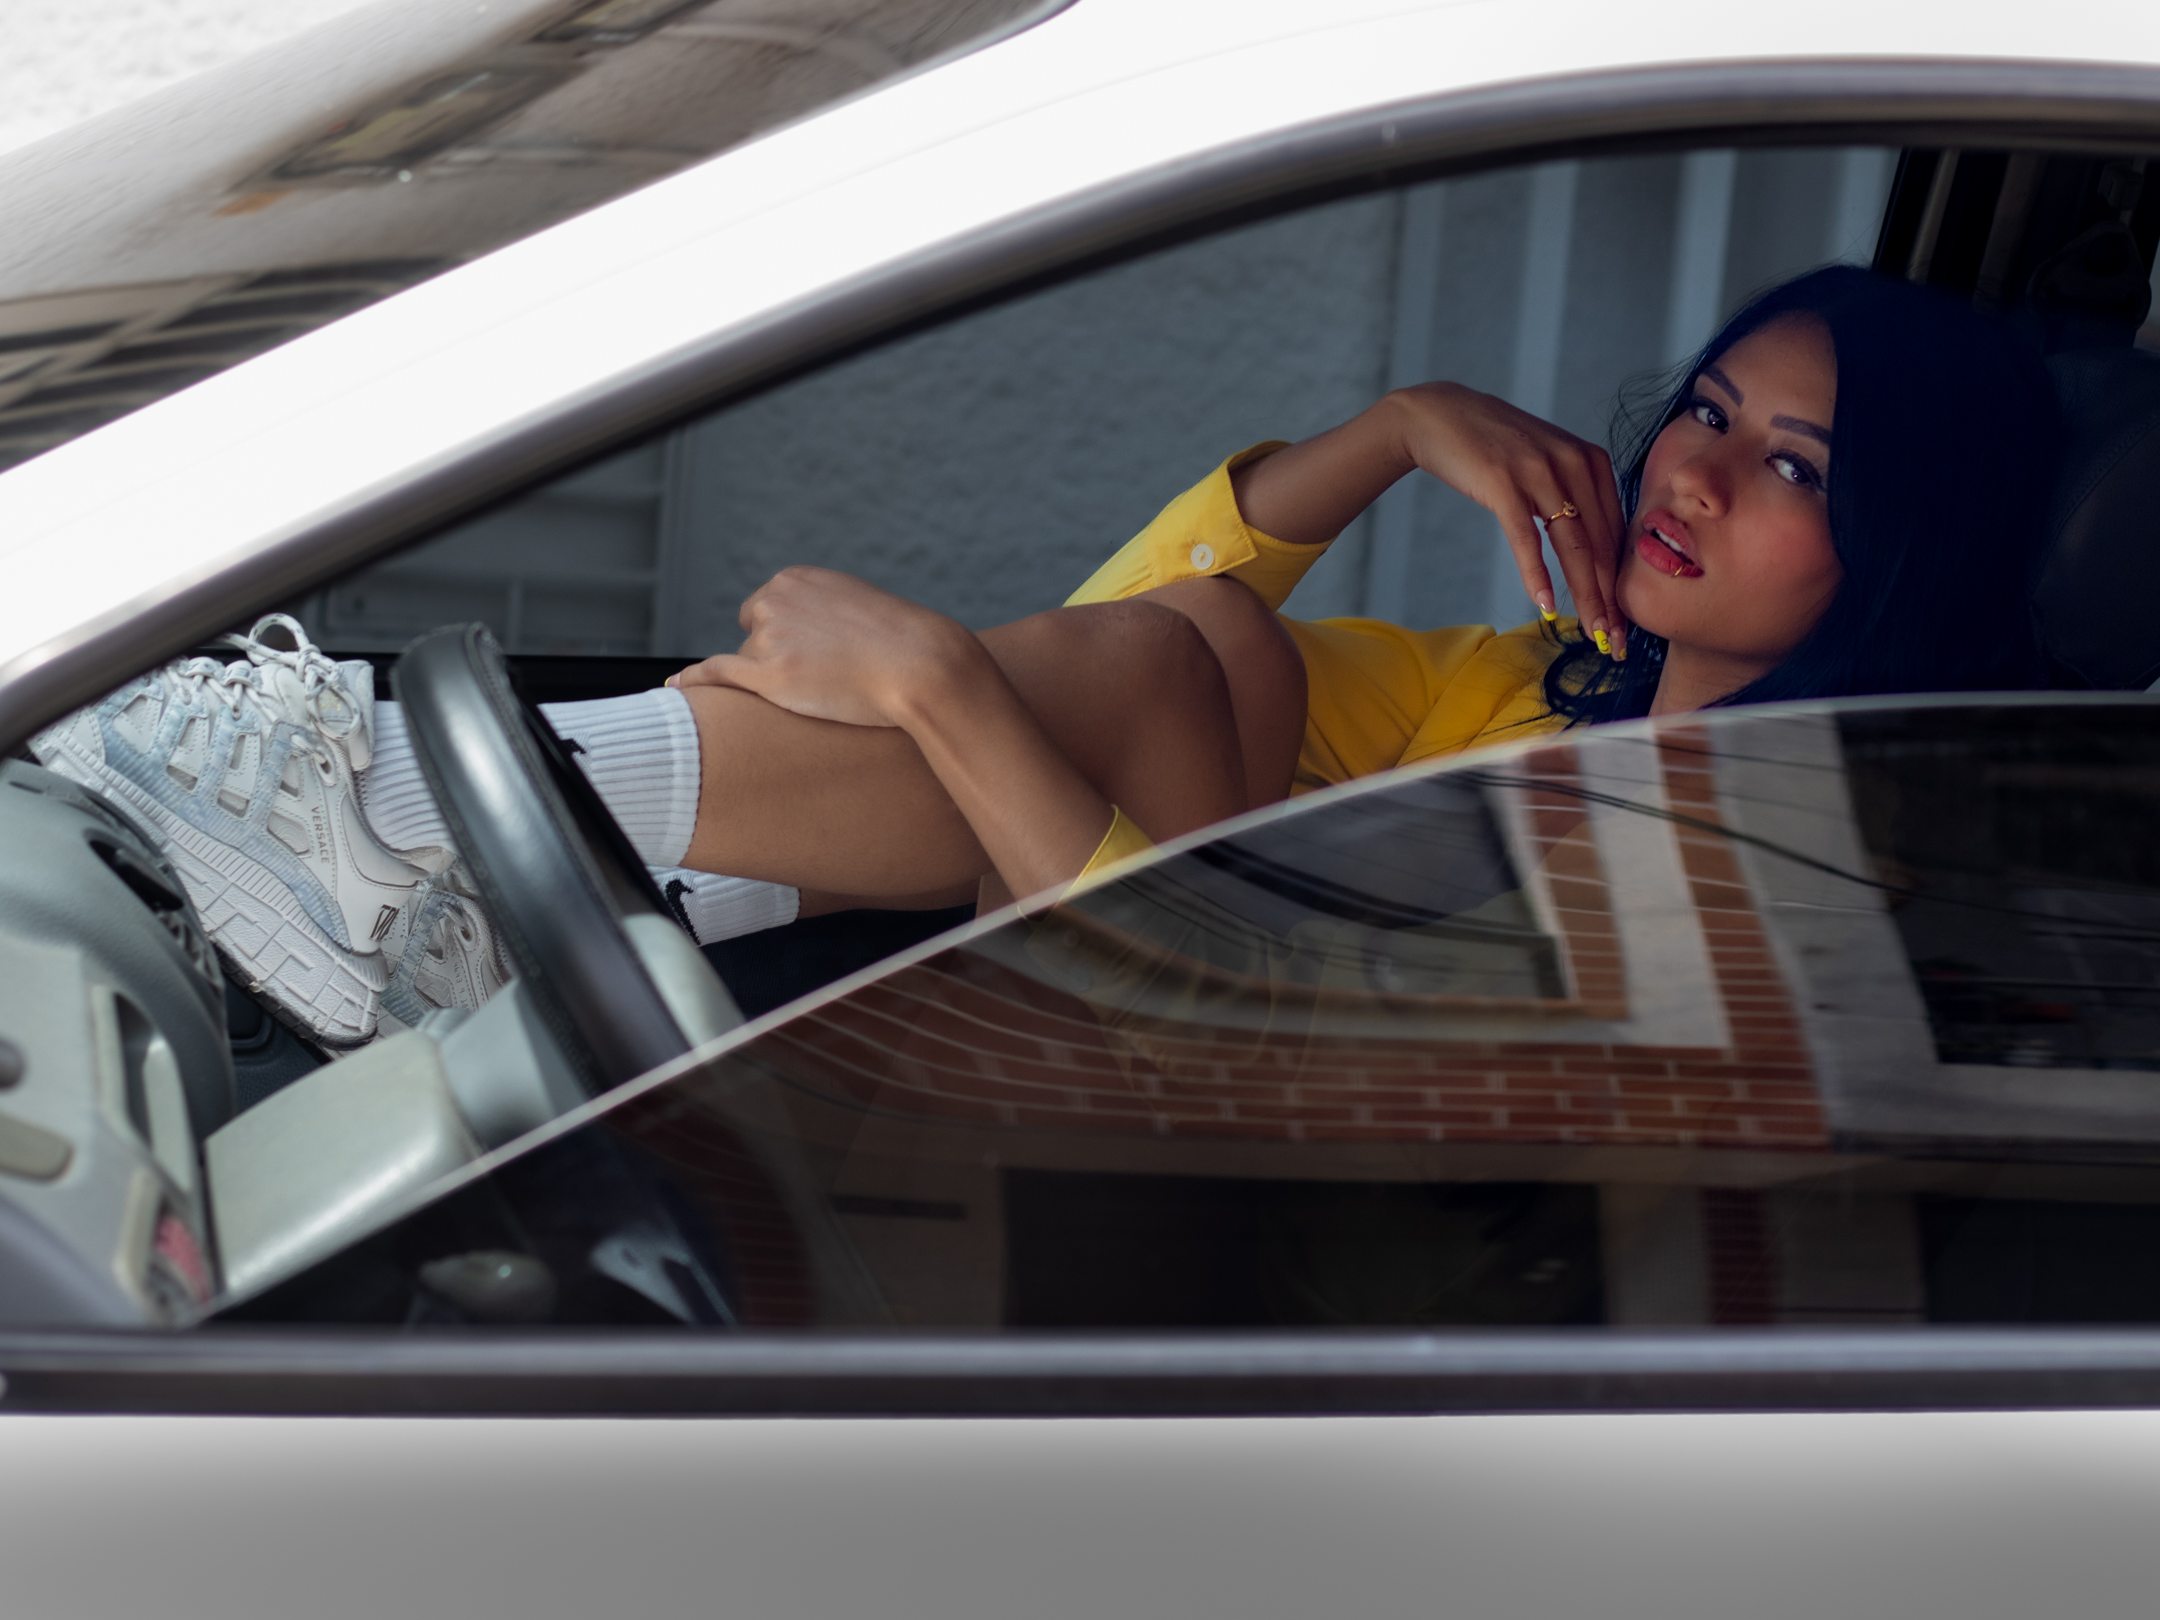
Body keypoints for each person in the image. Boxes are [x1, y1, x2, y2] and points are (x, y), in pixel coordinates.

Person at [28, 264, 2061, 1047]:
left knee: (1140, 675)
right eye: (1705, 406)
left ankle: (394, 829)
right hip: (1113, 1020)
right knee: (1204, 651)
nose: (1693, 469)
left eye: (1791, 465)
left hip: (1211, 1207)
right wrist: (1382, 435)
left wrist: (929, 678)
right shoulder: (1533, 687)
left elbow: (1256, 1038)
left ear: (1897, 559)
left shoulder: (1757, 870)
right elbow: (1128, 634)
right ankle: (416, 858)